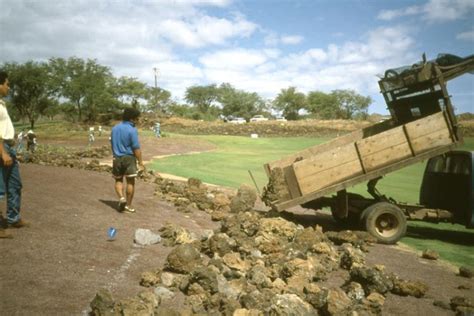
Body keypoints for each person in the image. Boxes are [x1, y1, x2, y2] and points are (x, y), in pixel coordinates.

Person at [0, 71, 28, 239]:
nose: (8, 87)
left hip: (8, 147)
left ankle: (13, 218)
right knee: (0, 189)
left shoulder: (2, 104)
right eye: (7, 84)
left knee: (15, 185)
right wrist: (3, 152)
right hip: (2, 148)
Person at [110, 108, 144, 213]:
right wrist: (141, 162)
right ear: (132, 118)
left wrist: (115, 154)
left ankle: (121, 198)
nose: (138, 120)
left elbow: (112, 144)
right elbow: (136, 148)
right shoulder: (132, 129)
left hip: (117, 157)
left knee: (118, 180)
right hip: (129, 158)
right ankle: (128, 206)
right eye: (137, 118)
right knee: (130, 182)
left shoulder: (114, 128)